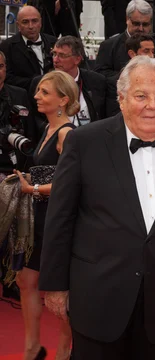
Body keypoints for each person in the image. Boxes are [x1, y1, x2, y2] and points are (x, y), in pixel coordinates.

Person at [38, 56, 155, 359]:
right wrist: (54, 285)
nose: (152, 105)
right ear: (121, 99)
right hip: (97, 295)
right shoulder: (84, 143)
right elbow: (60, 218)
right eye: (141, 96)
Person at [13, 71, 78, 360]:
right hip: (38, 216)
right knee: (25, 281)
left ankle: (65, 347)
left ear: (63, 99)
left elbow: (72, 182)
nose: (37, 96)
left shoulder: (67, 133)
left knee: (60, 290)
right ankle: (32, 347)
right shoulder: (47, 128)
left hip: (57, 220)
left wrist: (33, 187)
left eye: (45, 92)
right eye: (38, 91)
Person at [30, 36, 119, 127]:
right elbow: (35, 119)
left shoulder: (97, 81)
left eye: (62, 55)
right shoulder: (40, 82)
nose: (55, 60)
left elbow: (106, 115)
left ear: (77, 59)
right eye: (54, 54)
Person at [95, 0, 155, 79]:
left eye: (145, 24)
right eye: (136, 23)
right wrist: (131, 74)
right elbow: (99, 74)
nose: (141, 28)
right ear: (127, 19)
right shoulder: (109, 46)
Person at [0, 6, 56, 90]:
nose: (31, 26)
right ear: (18, 25)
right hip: (23, 97)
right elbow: (6, 77)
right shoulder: (6, 46)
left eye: (34, 21)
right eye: (25, 22)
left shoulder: (54, 42)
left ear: (40, 23)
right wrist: (37, 82)